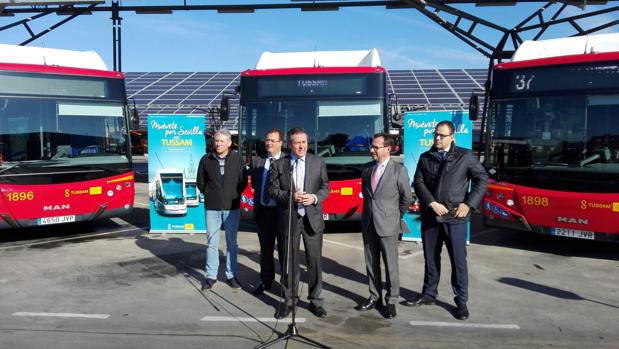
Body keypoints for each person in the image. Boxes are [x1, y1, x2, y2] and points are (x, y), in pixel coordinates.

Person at [405, 120, 488, 321]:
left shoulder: (465, 156)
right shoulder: (426, 157)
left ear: (452, 137)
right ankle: (428, 294)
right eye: (435, 134)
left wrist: (468, 204)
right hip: (432, 216)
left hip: (455, 217)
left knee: (458, 261)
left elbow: (482, 179)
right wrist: (432, 203)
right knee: (430, 258)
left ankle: (461, 301)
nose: (437, 138)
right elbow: (418, 182)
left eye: (441, 135)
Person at [267, 127, 330, 319]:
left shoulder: (318, 162)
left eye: (304, 142)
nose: (301, 146)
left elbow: (325, 187)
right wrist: (290, 197)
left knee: (314, 262)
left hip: (312, 219)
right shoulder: (280, 164)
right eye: (297, 142)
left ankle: (315, 301)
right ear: (290, 144)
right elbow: (272, 190)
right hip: (289, 219)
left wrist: (315, 198)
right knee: (288, 263)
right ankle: (288, 301)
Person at [355, 133, 412, 319]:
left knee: (390, 265)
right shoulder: (367, 169)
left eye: (375, 147)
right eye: (371, 146)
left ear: (388, 148)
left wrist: (395, 216)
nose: (371, 150)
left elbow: (407, 198)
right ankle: (374, 297)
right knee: (371, 263)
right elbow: (367, 195)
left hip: (388, 224)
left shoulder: (399, 170)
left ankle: (391, 300)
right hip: (369, 222)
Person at [196, 128, 248, 291]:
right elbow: (200, 182)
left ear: (229, 143)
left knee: (232, 243)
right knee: (212, 242)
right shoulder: (206, 160)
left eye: (221, 141)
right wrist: (211, 195)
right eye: (216, 141)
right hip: (212, 207)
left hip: (232, 206)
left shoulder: (238, 159)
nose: (218, 144)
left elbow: (243, 182)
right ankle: (211, 276)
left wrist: (232, 194)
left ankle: (231, 275)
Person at [251, 128, 286, 295]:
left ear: (280, 143)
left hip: (281, 213)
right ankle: (265, 280)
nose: (268, 143)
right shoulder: (258, 161)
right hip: (263, 212)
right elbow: (255, 186)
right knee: (265, 250)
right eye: (267, 140)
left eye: (272, 140)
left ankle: (286, 286)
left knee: (285, 251)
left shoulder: (287, 161)